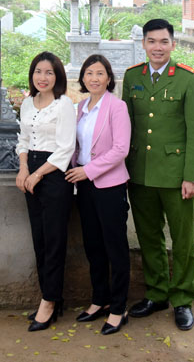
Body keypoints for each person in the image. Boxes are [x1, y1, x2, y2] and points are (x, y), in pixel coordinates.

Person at [122, 18, 194, 331]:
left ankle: (182, 299)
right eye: (152, 41)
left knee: (182, 239)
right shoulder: (132, 77)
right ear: (143, 44)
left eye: (164, 41)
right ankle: (156, 293)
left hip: (176, 175)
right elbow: (126, 125)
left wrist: (192, 175)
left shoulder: (187, 79)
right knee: (149, 236)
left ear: (173, 44)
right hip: (139, 173)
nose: (157, 47)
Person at [65, 54, 131, 335]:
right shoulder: (79, 107)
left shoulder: (117, 107)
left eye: (100, 73)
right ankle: (99, 300)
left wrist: (88, 170)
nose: (94, 78)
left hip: (110, 186)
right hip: (84, 186)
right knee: (93, 245)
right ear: (83, 78)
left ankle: (118, 308)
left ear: (108, 78)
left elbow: (120, 149)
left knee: (114, 247)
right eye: (89, 73)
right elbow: (74, 145)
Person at [16, 51, 76, 332]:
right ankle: (49, 295)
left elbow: (66, 148)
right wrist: (24, 168)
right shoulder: (28, 103)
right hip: (31, 174)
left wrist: (39, 173)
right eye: (38, 71)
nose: (43, 77)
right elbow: (23, 139)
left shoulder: (64, 105)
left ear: (57, 76)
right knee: (38, 238)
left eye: (49, 73)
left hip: (54, 175)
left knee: (54, 241)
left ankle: (50, 301)